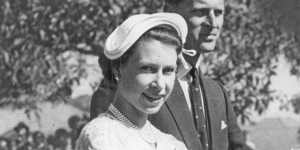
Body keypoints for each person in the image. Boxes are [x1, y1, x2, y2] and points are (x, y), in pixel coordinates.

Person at [90, 0, 252, 150]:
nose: (213, 23)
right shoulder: (124, 85)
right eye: (200, 12)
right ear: (170, 11)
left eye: (218, 13)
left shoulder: (217, 93)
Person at [76, 13, 189, 150]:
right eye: (148, 69)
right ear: (118, 69)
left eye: (168, 71)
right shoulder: (102, 136)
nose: (160, 84)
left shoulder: (172, 145)